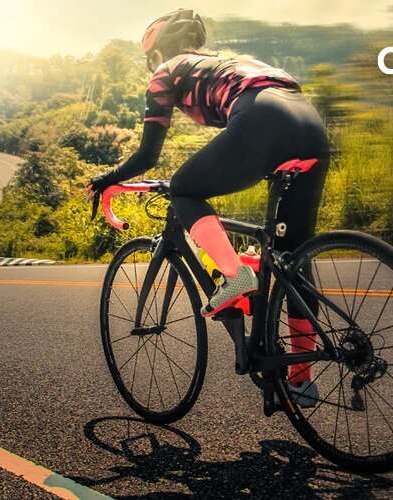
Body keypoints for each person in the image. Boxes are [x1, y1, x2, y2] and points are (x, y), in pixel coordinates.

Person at [86, 9, 331, 405]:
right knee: (293, 261)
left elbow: (148, 155)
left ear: (156, 51)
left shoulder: (166, 71)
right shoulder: (226, 61)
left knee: (184, 189)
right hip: (308, 123)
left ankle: (235, 276)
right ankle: (301, 379)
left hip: (262, 119)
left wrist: (106, 179)